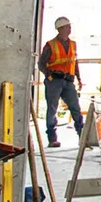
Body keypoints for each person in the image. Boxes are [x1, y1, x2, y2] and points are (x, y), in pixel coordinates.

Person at [40, 16, 82, 148]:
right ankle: (52, 138)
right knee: (52, 109)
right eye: (67, 26)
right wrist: (49, 75)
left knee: (75, 108)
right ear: (60, 29)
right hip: (54, 81)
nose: (70, 28)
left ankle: (83, 136)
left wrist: (78, 78)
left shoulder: (73, 44)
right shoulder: (50, 45)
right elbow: (41, 64)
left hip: (68, 81)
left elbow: (74, 63)